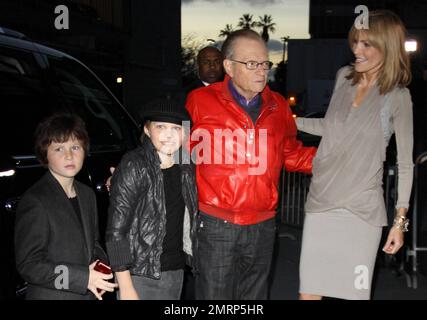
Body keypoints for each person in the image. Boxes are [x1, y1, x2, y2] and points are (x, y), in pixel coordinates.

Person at [186, 29, 316, 300]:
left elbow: (290, 154)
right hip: (215, 223)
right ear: (229, 67)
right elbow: (174, 151)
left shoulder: (278, 106)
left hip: (263, 225)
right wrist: (136, 171)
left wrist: (341, 158)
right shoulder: (199, 102)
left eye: (265, 63)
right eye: (252, 63)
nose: (262, 71)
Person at [297, 10, 413, 300]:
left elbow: (406, 164)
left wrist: (399, 223)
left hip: (362, 213)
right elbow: (331, 126)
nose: (356, 50)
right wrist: (286, 119)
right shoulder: (343, 78)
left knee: (354, 296)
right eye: (355, 42)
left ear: (387, 47)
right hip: (322, 204)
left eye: (366, 45)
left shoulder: (398, 96)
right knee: (308, 294)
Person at [15, 113, 116, 300]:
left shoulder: (87, 194)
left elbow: (93, 243)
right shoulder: (36, 200)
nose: (69, 155)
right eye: (59, 149)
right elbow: (29, 265)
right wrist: (83, 278)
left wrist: (101, 265)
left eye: (75, 147)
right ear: (45, 154)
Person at [105, 97, 198, 300]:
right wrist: (126, 286)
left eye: (176, 128)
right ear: (147, 130)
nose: (169, 134)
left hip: (175, 271)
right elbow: (115, 232)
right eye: (161, 126)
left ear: (184, 133)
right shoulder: (134, 164)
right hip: (139, 273)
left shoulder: (187, 166)